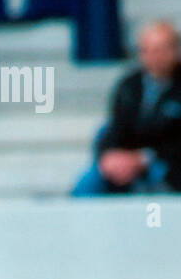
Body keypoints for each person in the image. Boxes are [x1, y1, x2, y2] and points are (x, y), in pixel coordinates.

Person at [72, 20, 181, 196]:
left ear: (174, 51)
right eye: (147, 50)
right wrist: (110, 156)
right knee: (91, 181)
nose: (154, 57)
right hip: (130, 160)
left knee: (162, 176)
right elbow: (115, 127)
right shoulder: (129, 86)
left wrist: (144, 158)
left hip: (167, 163)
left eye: (160, 50)